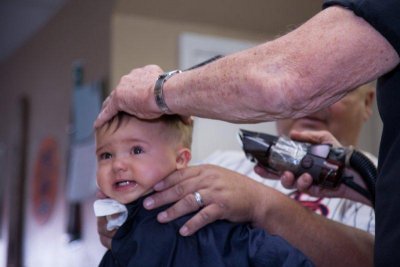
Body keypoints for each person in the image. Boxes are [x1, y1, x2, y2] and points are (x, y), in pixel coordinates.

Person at [94, 1, 400, 266]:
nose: (312, 108)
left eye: (333, 92)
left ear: (368, 104)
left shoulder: (381, 191)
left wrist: (261, 204)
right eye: (107, 154)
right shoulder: (217, 164)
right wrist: (131, 228)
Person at [94, 112, 313, 266]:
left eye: (136, 150)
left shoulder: (208, 212)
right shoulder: (120, 235)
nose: (118, 165)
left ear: (181, 159)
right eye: (106, 155)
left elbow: (267, 254)